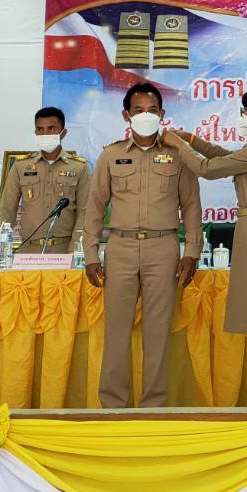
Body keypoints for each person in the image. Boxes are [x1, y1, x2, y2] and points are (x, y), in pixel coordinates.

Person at [81, 82, 202, 409]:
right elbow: (94, 208)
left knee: (158, 333)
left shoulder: (178, 155)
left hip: (163, 249)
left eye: (152, 110)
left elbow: (191, 206)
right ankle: (113, 408)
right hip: (119, 248)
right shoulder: (111, 155)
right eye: (138, 110)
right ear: (126, 115)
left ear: (162, 114)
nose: (145, 116)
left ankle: (154, 408)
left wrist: (192, 252)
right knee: (116, 332)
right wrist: (90, 255)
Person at [165, 85, 247, 404]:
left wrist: (179, 145)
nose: (243, 115)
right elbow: (225, 157)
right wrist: (194, 141)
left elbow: (208, 169)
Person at [0, 106, 93, 254]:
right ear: (35, 132)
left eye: (51, 129)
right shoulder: (21, 166)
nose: (45, 134)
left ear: (63, 133)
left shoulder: (79, 167)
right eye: (40, 129)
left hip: (64, 249)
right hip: (29, 250)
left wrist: (76, 250)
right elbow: (7, 210)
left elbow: (85, 212)